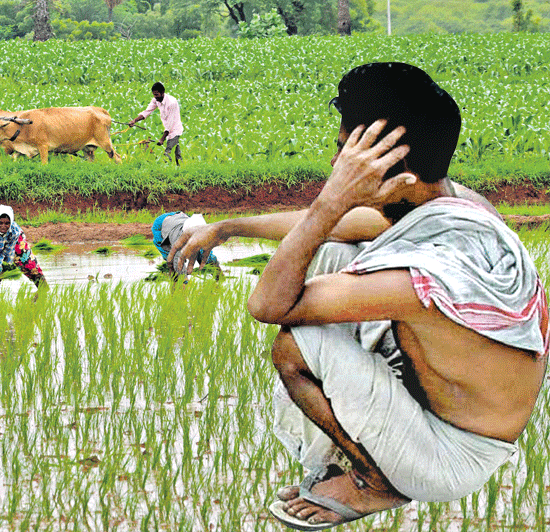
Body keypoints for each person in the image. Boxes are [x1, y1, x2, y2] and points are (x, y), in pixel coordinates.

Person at [195, 63, 547, 529]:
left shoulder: (421, 280)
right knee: (333, 252)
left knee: (293, 346)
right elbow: (342, 228)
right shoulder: (457, 204)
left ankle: (377, 480)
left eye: (346, 156)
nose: (337, 166)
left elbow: (268, 305)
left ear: (392, 169)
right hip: (460, 406)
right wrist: (228, 228)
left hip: (450, 454)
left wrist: (332, 198)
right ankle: (373, 448)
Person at [0, 205, 47, 290]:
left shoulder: (14, 232)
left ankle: (43, 289)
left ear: (11, 223)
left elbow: (2, 253)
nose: (3, 226)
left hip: (9, 237)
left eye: (7, 223)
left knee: (27, 261)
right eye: (0, 223)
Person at [127, 82, 183, 165]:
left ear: (162, 92)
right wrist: (134, 121)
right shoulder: (156, 100)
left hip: (175, 130)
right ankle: (179, 167)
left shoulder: (171, 103)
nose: (155, 97)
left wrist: (162, 139)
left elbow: (170, 125)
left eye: (156, 94)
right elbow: (147, 111)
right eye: (154, 95)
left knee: (167, 153)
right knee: (176, 152)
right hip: (167, 130)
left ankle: (170, 169)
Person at [151, 211, 217, 268]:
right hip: (161, 223)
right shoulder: (177, 237)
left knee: (205, 257)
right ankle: (176, 279)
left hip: (181, 217)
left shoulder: (202, 231)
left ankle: (219, 276)